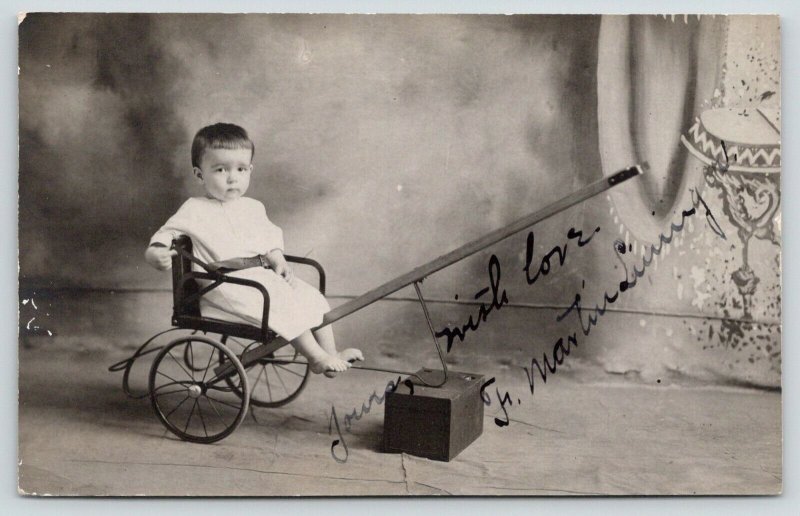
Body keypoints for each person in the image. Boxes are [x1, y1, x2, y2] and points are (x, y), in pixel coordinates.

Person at [145, 123, 362, 376]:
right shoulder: (194, 209)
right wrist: (155, 253)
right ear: (199, 174)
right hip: (223, 285)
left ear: (250, 170)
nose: (232, 177)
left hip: (258, 278)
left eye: (241, 169)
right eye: (220, 169)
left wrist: (277, 257)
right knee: (282, 303)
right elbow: (165, 235)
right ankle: (315, 358)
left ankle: (331, 352)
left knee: (312, 297)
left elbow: (269, 238)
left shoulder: (253, 207)